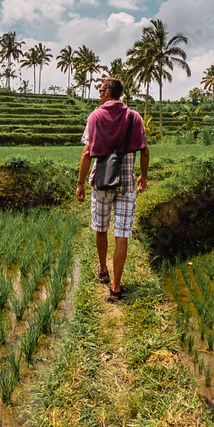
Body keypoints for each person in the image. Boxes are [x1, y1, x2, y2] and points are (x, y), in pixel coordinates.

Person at [76, 76, 148, 302]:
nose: (98, 93)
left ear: (108, 92)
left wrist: (80, 183)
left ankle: (103, 271)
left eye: (100, 90)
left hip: (102, 182)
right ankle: (116, 287)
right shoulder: (134, 117)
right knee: (122, 234)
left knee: (101, 227)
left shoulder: (95, 116)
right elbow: (144, 151)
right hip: (126, 184)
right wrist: (143, 176)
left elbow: (87, 152)